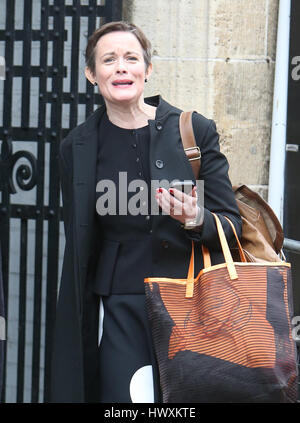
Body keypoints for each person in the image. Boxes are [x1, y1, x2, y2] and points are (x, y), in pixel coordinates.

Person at [50, 21, 242, 403]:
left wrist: (196, 218)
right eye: (109, 60)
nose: (121, 67)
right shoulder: (77, 146)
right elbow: (80, 239)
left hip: (193, 304)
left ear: (147, 69)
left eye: (131, 58)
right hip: (120, 310)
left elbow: (231, 224)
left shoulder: (193, 131)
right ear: (92, 74)